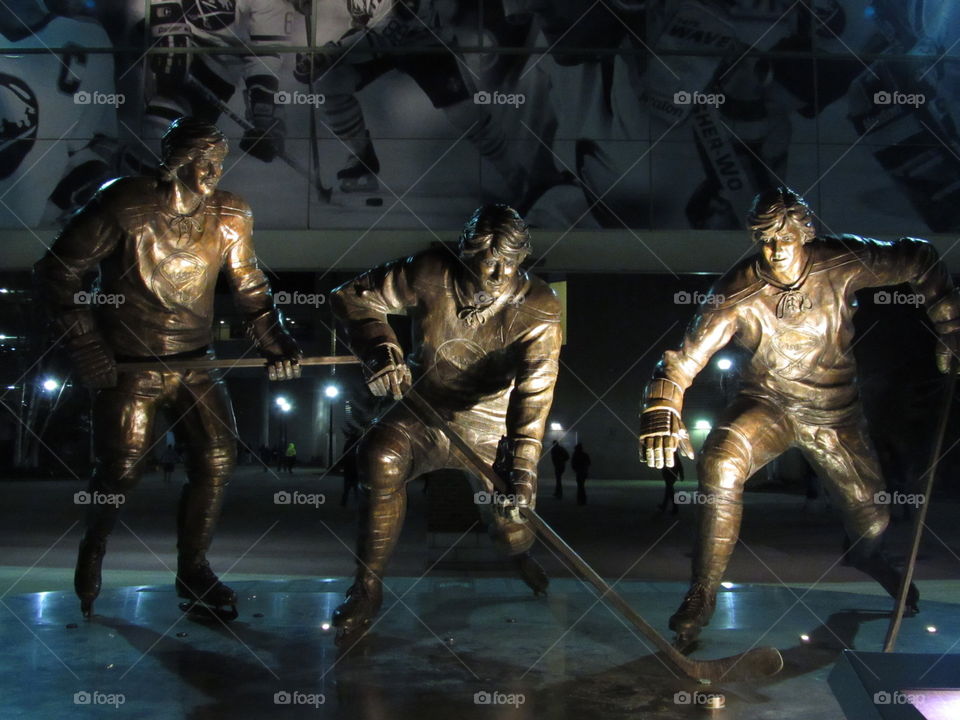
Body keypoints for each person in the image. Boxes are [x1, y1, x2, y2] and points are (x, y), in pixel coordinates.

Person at [638, 186, 960, 649]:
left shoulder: (841, 260)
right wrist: (661, 406)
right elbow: (685, 358)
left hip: (834, 414)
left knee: (873, 520)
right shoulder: (734, 292)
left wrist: (949, 323)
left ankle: (866, 554)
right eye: (764, 239)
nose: (774, 251)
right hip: (766, 405)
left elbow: (919, 259)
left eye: (784, 239)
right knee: (719, 461)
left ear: (804, 235)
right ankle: (702, 594)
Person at [34, 117, 302, 618]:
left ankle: (193, 570)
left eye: (218, 162)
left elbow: (249, 286)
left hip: (196, 362)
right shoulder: (127, 204)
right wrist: (86, 342)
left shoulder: (230, 214)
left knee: (218, 460)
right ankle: (94, 546)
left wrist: (275, 339)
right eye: (202, 160)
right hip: (131, 365)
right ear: (175, 159)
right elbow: (58, 269)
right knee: (121, 469)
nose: (211, 172)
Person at [329, 203, 562, 640]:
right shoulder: (430, 270)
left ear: (522, 261)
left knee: (509, 518)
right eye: (485, 262)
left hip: (491, 426)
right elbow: (352, 296)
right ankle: (366, 587)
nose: (495, 276)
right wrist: (382, 349)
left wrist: (523, 469)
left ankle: (519, 553)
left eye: (507, 265)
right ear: (464, 254)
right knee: (379, 457)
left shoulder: (541, 308)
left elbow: (534, 394)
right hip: (424, 411)